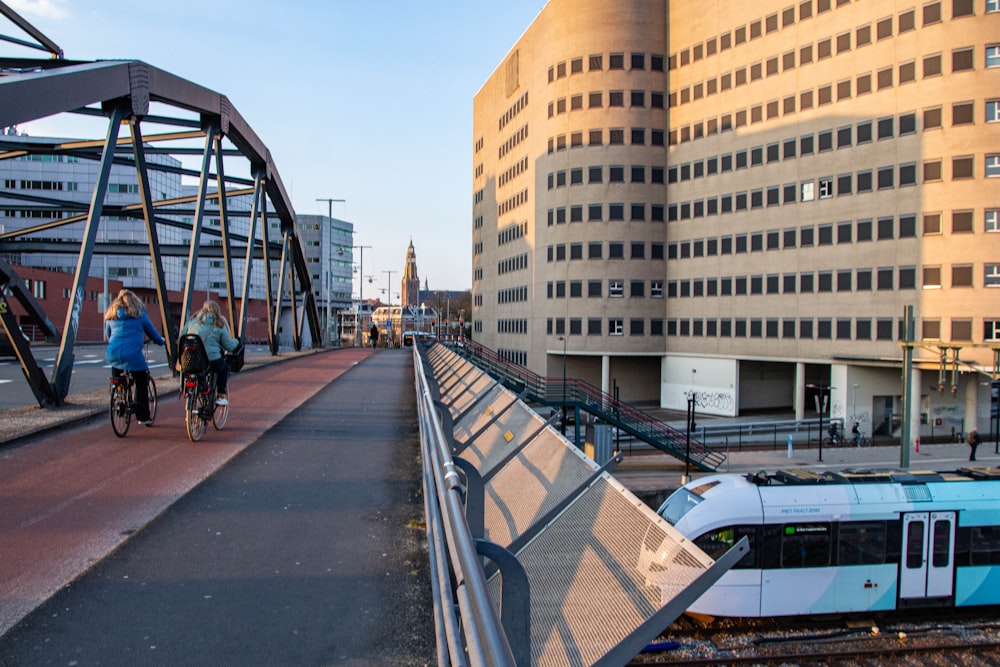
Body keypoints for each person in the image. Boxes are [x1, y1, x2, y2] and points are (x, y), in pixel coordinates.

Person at [104, 289, 165, 425]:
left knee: (117, 377)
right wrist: (161, 341)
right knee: (141, 380)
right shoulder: (140, 314)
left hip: (113, 353)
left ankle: (119, 396)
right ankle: (142, 416)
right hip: (132, 355)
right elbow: (152, 332)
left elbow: (108, 335)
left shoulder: (112, 315)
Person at [181, 300, 239, 405]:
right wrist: (236, 341)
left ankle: (195, 390)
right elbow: (229, 346)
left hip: (191, 359)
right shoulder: (219, 325)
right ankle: (221, 395)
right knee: (223, 368)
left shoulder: (192, 322)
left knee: (197, 372)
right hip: (211, 360)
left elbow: (182, 337)